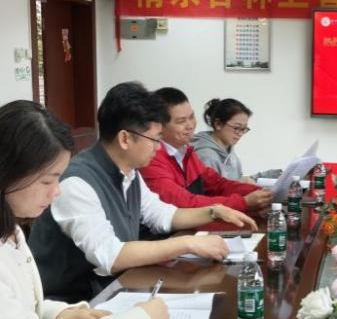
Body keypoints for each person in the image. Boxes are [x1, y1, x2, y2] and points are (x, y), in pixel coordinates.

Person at [29, 82, 257, 302]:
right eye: (155, 140)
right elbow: (109, 255)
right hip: (75, 304)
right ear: (125, 139)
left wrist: (214, 212)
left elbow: (161, 215)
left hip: (117, 287)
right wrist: (187, 243)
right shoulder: (77, 183)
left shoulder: (130, 172)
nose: (158, 148)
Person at [0, 100, 168, 319]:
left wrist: (56, 314)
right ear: (7, 172)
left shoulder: (11, 228)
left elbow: (16, 308)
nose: (56, 192)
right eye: (47, 181)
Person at [140, 89, 272, 212]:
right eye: (181, 121)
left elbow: (217, 184)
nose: (190, 125)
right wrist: (244, 202)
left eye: (192, 117)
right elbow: (185, 203)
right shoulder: (151, 159)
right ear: (159, 126)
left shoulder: (186, 151)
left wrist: (263, 192)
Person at [192, 97, 281, 182]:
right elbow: (210, 191)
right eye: (237, 128)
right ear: (218, 124)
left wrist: (265, 176)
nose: (240, 134)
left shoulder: (228, 149)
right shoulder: (206, 156)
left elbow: (236, 180)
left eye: (244, 129)